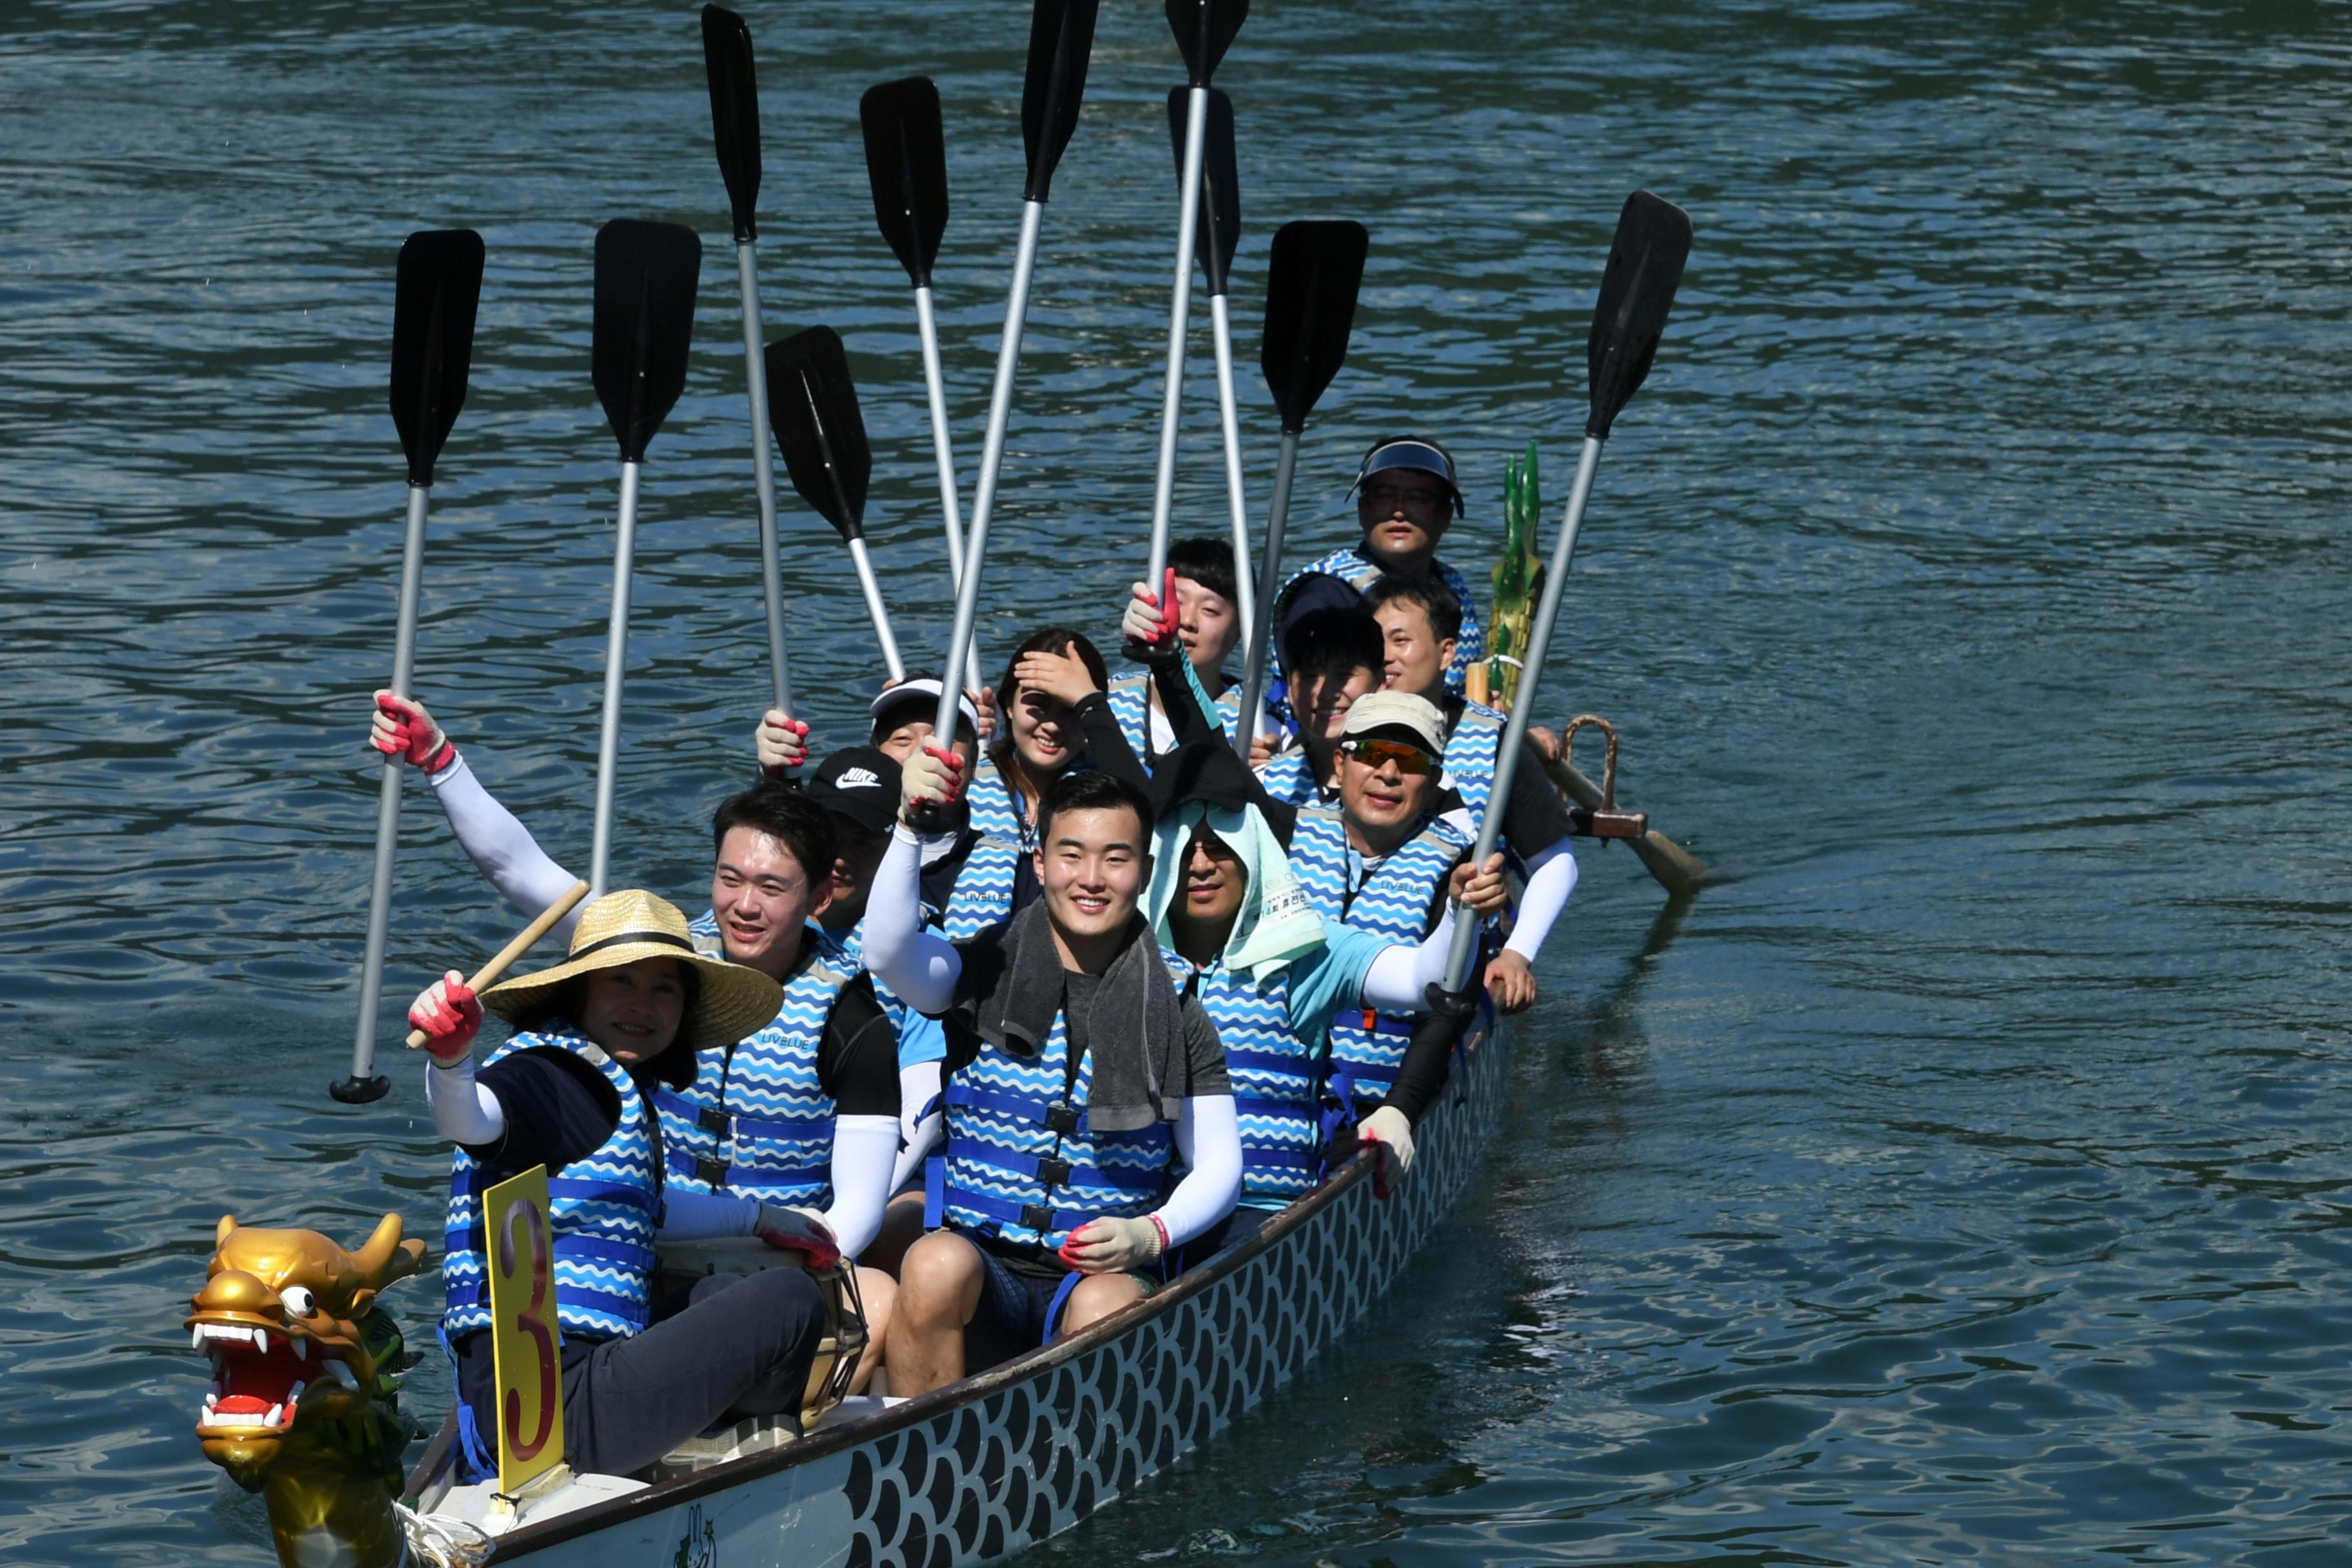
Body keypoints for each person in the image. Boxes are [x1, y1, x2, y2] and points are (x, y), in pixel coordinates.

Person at [369, 699, 905, 1330]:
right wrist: (439, 760)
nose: (745, 906)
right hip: (642, 1242)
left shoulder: (854, 1016)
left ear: (818, 897)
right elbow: (518, 869)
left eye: (772, 887)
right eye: (730, 879)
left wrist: (789, 1258)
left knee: (877, 1297)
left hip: (780, 1263)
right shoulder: (661, 955)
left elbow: (859, 1210)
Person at [413, 888, 837, 1478]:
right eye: (622, 982)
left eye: (665, 989)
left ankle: (689, 1436)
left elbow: (644, 1209)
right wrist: (451, 1063)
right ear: (578, 992)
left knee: (719, 1298)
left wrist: (761, 1219)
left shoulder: (595, 1077)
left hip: (528, 1401)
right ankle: (732, 1456)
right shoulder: (556, 1077)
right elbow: (477, 1122)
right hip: (558, 1412)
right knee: (790, 1302)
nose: (643, 1004)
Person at [864, 763, 1242, 1394]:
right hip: (986, 1266)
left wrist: (1150, 1233)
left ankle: (1072, 1459)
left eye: (1115, 858)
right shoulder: (977, 971)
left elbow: (1220, 1167)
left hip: (1101, 1274)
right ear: (1040, 863)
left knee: (1102, 1309)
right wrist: (910, 827)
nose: (1092, 879)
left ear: (1146, 872)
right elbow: (887, 950)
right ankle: (931, 1455)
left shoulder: (1178, 1007)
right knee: (932, 1263)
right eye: (1072, 854)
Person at [1139, 735, 1504, 1244]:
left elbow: (1427, 978)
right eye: (1185, 849)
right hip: (1139, 1209)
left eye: (1221, 847)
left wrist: (1458, 913)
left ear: (1253, 853)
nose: (1201, 866)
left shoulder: (1309, 949)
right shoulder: (1125, 957)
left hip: (1261, 1223)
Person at [1360, 575, 1578, 1013]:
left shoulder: (1493, 739)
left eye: (1401, 641)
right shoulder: (1338, 731)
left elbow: (1556, 863)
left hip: (1460, 949)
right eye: (1374, 640)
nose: (1385, 656)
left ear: (1447, 653)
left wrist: (1518, 954)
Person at [934, 628, 1150, 939]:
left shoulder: (1111, 783)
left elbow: (1150, 815)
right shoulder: (965, 783)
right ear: (1008, 706)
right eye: (1038, 704)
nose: (1051, 725)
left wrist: (1090, 703)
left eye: (1070, 710)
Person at [1269, 436, 1486, 701]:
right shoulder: (1326, 595)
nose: (1399, 511)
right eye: (1384, 496)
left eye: (1417, 498)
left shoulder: (1451, 586)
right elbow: (1320, 702)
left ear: (1446, 516)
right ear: (1363, 510)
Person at [1102, 538, 1251, 762]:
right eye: (1177, 602)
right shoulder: (1109, 700)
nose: (1187, 621)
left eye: (1210, 610)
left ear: (1240, 631)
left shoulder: (1256, 723)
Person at [1251, 606, 1386, 807]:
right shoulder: (1263, 785)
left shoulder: (1409, 779)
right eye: (1310, 677)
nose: (1326, 692)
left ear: (1379, 683)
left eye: (1344, 675)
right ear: (1290, 688)